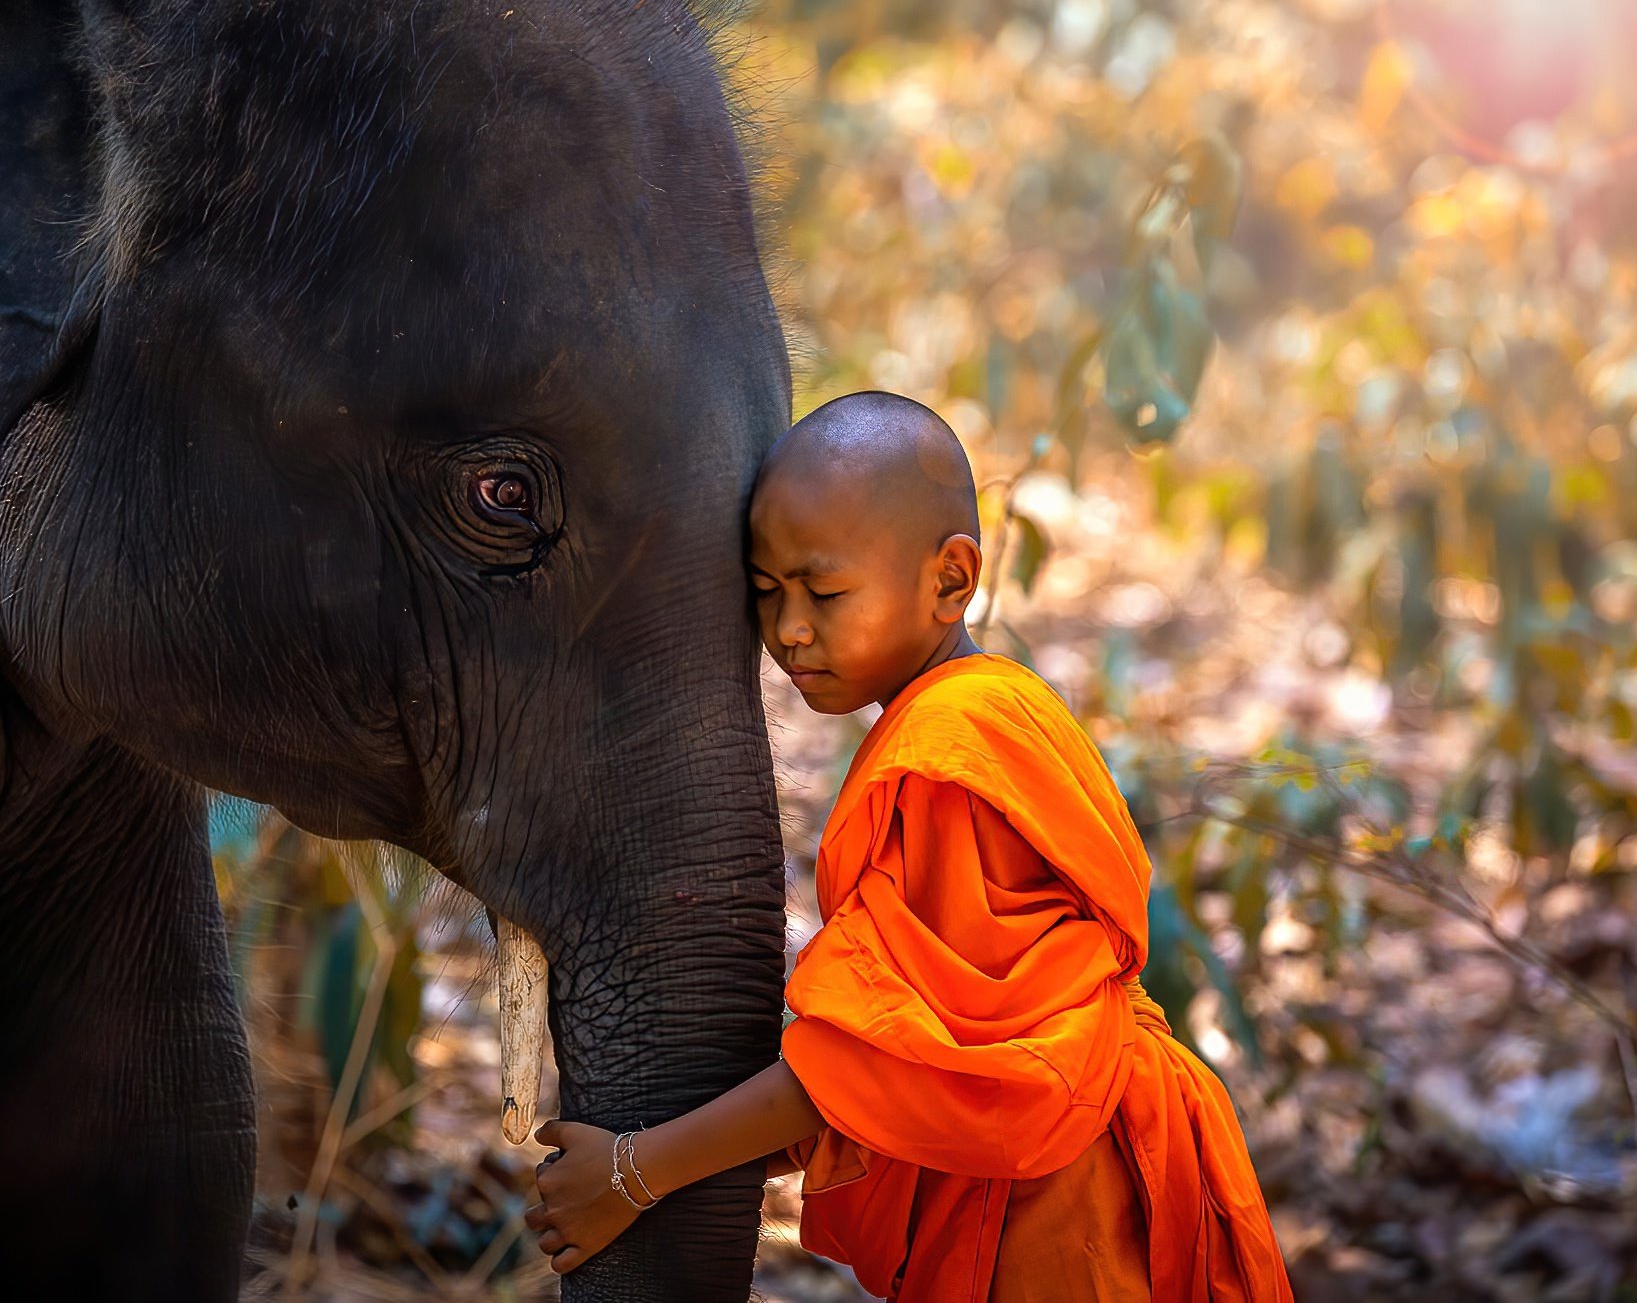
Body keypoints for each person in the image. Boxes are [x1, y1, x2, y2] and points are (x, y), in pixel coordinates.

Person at [524, 391, 1292, 1301]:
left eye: (824, 592)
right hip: (1071, 1158)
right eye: (766, 593)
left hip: (1072, 1209)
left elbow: (881, 1061)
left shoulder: (947, 756)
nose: (789, 628)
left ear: (951, 581)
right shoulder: (980, 708)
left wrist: (637, 1172)